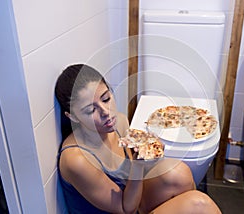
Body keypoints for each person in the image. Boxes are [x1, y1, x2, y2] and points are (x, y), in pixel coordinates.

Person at [55, 64, 221, 214]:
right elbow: (125, 208)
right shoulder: (76, 160)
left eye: (106, 98)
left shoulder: (118, 122)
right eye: (91, 110)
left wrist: (148, 151)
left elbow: (130, 176)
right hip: (124, 207)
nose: (106, 111)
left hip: (130, 199)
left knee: (179, 173)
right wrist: (138, 166)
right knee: (200, 204)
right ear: (73, 117)